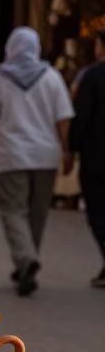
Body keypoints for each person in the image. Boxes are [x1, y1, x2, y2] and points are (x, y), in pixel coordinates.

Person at [0, 28, 74, 296]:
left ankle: (25, 258)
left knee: (13, 211)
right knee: (37, 212)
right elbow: (63, 118)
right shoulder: (52, 77)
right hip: (45, 156)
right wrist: (67, 151)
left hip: (10, 156)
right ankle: (26, 260)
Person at [71, 29, 105, 288]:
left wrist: (71, 149)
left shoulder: (92, 76)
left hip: (96, 155)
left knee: (97, 210)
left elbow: (81, 116)